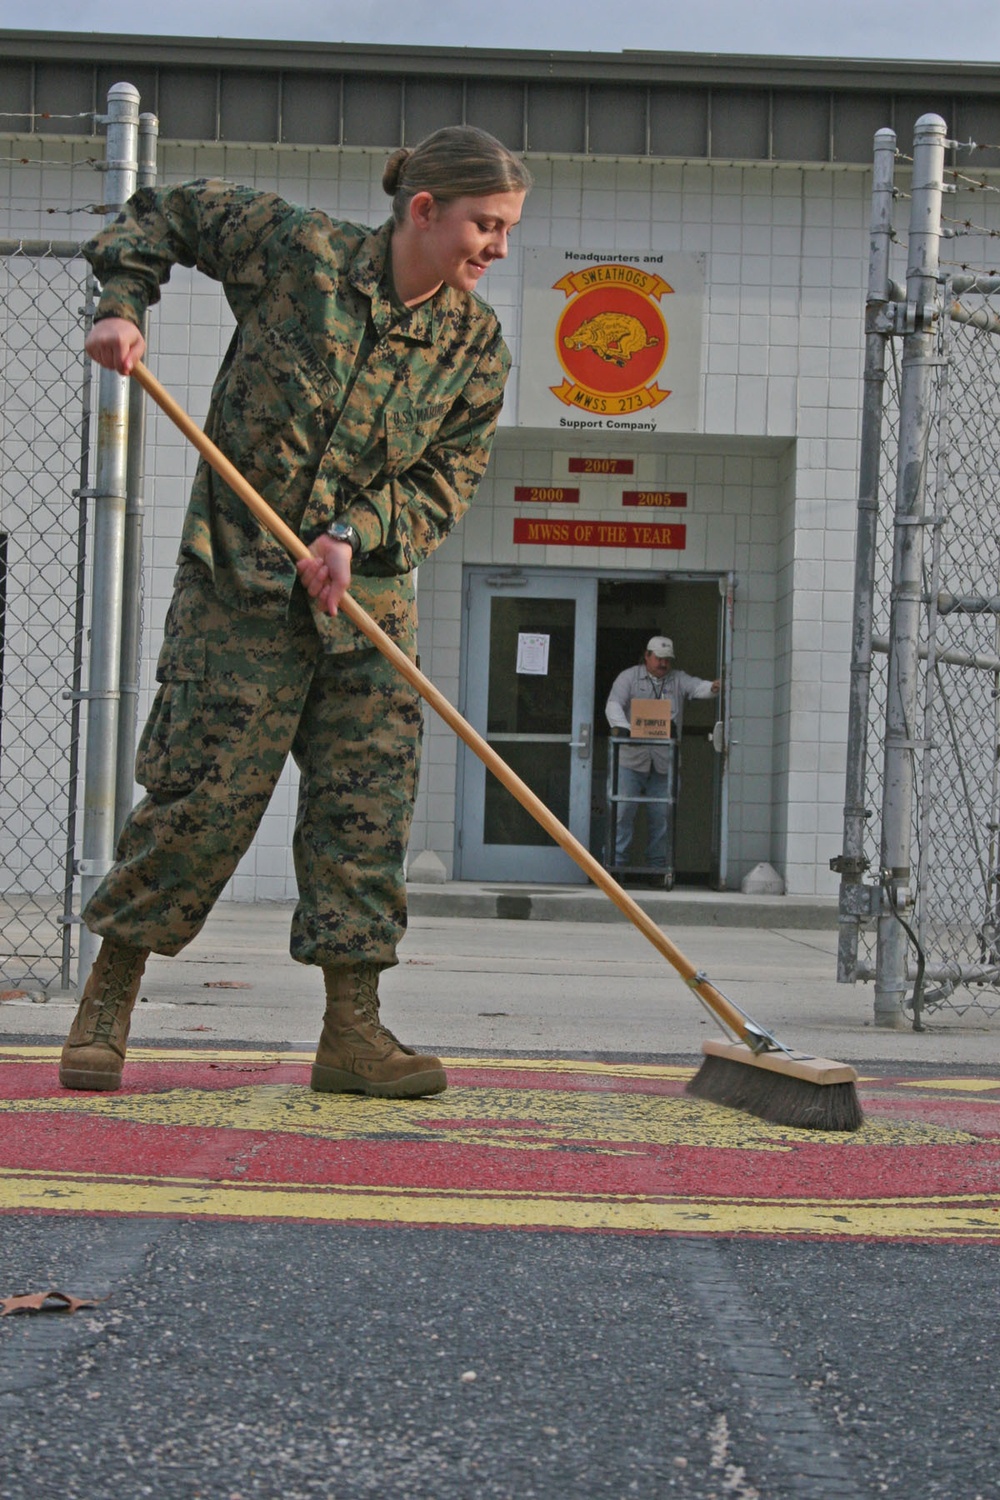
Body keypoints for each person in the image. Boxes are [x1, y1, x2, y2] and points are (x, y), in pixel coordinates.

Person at [59, 126, 531, 1100]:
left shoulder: (474, 347)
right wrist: (120, 304)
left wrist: (357, 535)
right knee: (201, 795)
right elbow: (164, 216)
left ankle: (351, 1032)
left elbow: (449, 478)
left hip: (364, 606)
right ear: (424, 210)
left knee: (364, 812)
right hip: (239, 585)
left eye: (507, 229)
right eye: (485, 225)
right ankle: (109, 998)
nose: (496, 247)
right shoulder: (298, 251)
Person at [604, 635, 720, 881]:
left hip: (664, 763)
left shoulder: (678, 679)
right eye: (658, 658)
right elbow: (613, 704)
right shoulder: (628, 677)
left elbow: (697, 687)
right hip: (630, 761)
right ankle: (614, 868)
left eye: (667, 660)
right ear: (647, 656)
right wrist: (624, 727)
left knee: (662, 817)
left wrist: (713, 687)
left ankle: (658, 871)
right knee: (622, 812)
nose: (663, 664)